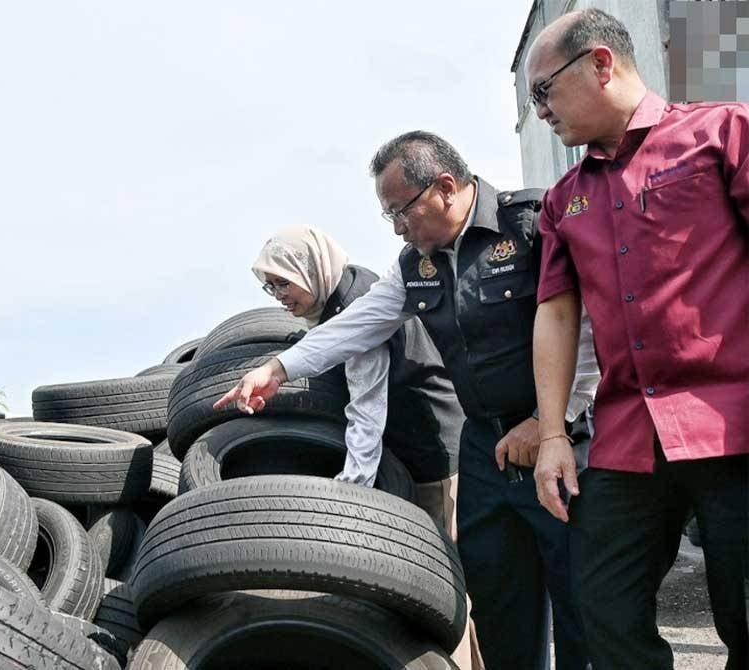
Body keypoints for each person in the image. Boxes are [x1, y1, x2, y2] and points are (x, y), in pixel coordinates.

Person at [215, 130, 597, 670]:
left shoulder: (531, 223)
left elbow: (587, 324)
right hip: (485, 448)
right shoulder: (415, 263)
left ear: (444, 187)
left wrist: (549, 419)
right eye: (388, 216)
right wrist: (278, 368)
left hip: (559, 440)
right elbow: (359, 323)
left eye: (401, 211)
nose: (397, 226)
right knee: (498, 602)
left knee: (583, 603)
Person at [526, 9, 749, 670]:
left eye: (543, 91)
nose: (540, 112)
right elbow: (556, 315)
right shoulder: (564, 199)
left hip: (734, 418)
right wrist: (553, 436)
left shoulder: (722, 133)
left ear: (601, 64)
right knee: (601, 606)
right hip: (629, 438)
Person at [251, 224, 479, 670]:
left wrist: (349, 494)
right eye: (268, 285)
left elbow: (366, 409)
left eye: (283, 282)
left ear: (310, 268)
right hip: (407, 453)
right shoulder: (339, 294)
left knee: (439, 585)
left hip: (436, 457)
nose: (276, 294)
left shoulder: (356, 307)